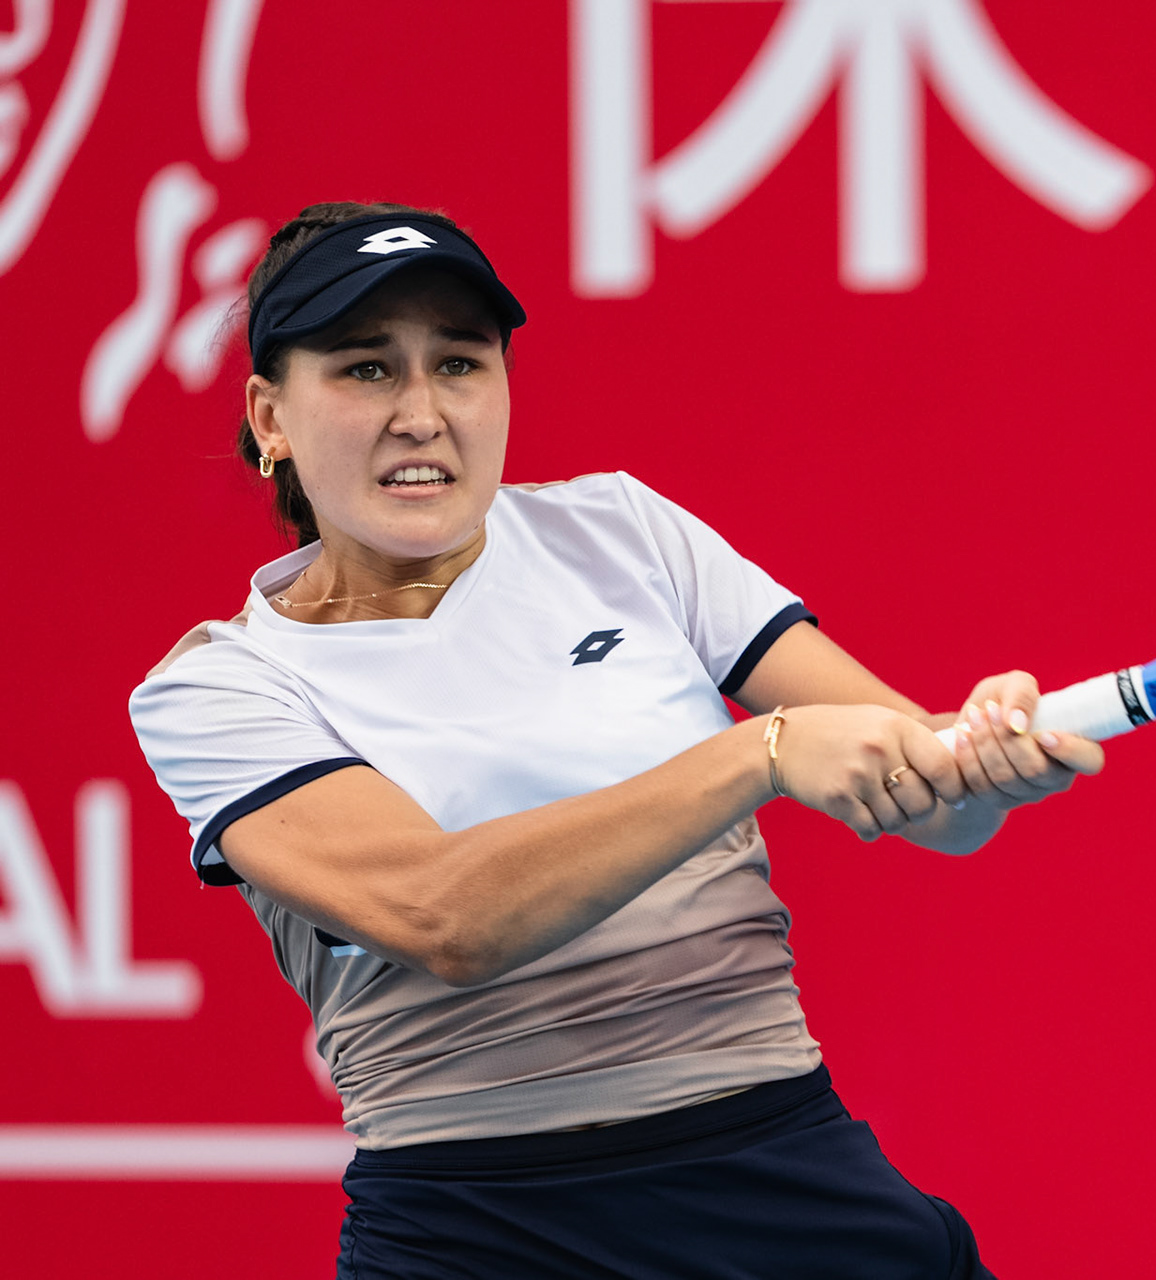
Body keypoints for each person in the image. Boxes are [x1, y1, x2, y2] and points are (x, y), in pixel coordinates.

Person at [128, 201, 1102, 1280]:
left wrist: (980, 767)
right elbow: (443, 913)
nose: (421, 412)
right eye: (366, 369)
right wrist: (759, 751)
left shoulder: (627, 533)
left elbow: (926, 794)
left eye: (460, 363)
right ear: (272, 415)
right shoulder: (220, 685)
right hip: (476, 1233)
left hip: (780, 1176)